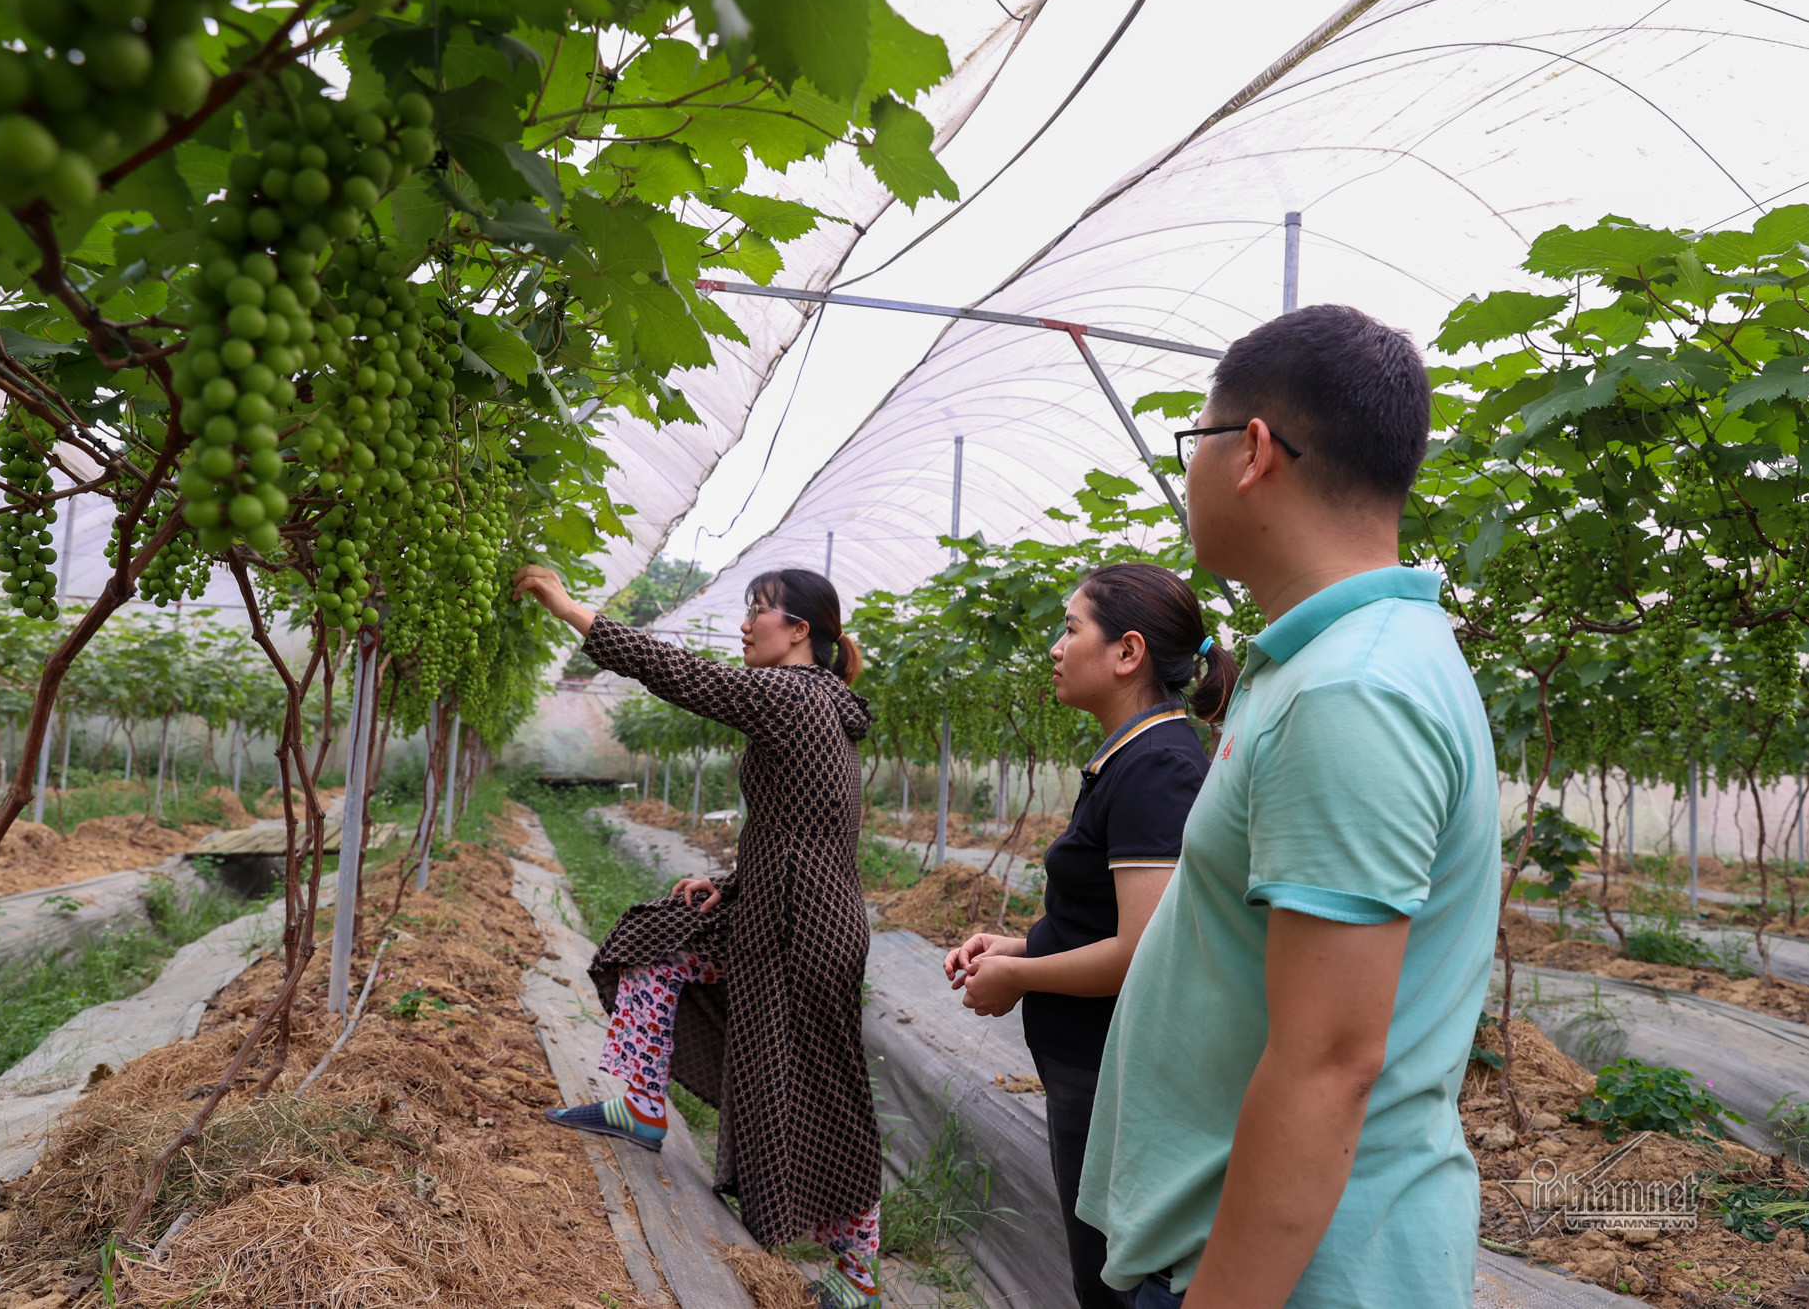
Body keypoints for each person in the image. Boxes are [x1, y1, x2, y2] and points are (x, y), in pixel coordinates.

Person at [1077, 304, 1501, 1309]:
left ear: (1251, 450)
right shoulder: (1318, 662)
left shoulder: (1351, 692)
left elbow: (1327, 1063)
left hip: (1290, 1278)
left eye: (1194, 440)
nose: (1185, 471)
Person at [512, 563, 884, 1309]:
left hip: (805, 929)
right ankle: (645, 1105)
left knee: (823, 1088)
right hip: (779, 909)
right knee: (658, 946)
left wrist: (566, 607)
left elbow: (676, 672)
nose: (747, 624)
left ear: (799, 630)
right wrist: (732, 886)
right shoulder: (817, 702)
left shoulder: (792, 693)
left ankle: (861, 1278)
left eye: (760, 611)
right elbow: (797, 825)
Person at [941, 562, 1235, 1309]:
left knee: (1111, 1280)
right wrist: (1016, 946)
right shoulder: (1131, 755)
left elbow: (1143, 951)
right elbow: (1106, 919)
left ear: (1127, 652)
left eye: (1071, 628)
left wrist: (1022, 977)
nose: (1055, 646)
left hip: (1115, 1068)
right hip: (1090, 1061)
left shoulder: (1158, 767)